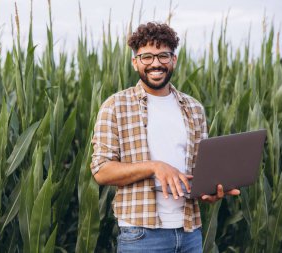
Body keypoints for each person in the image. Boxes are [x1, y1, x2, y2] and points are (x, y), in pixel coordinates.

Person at [90, 22, 240, 253]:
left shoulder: (194, 108)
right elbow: (101, 170)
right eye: (147, 57)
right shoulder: (115, 106)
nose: (156, 63)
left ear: (174, 60)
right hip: (141, 234)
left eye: (163, 55)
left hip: (190, 233)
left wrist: (210, 191)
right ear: (135, 62)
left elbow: (200, 170)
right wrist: (154, 167)